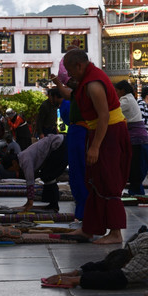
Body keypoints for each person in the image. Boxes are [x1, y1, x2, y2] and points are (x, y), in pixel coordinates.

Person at [63, 49, 131, 244]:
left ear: (79, 66)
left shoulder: (93, 84)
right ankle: (89, 228)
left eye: (70, 70)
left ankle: (116, 233)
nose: (69, 74)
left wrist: (95, 147)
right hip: (100, 131)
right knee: (93, 180)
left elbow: (104, 116)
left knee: (109, 181)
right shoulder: (88, 78)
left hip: (110, 132)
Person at [52, 75, 88, 221]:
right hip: (76, 134)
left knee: (81, 173)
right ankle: (82, 211)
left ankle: (85, 212)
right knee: (76, 174)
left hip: (81, 134)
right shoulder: (73, 97)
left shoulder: (87, 90)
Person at [114, 80, 148, 196]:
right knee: (135, 168)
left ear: (122, 91)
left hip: (136, 139)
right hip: (137, 138)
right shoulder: (130, 99)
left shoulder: (126, 100)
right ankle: (136, 193)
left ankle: (137, 194)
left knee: (135, 168)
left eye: (117, 91)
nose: (116, 93)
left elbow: (113, 110)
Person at [16, 134, 68, 212]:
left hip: (59, 144)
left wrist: (30, 202)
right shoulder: (23, 156)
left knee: (48, 175)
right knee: (46, 174)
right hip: (59, 143)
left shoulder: (25, 160)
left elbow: (30, 181)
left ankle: (53, 204)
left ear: (13, 163)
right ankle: (53, 203)